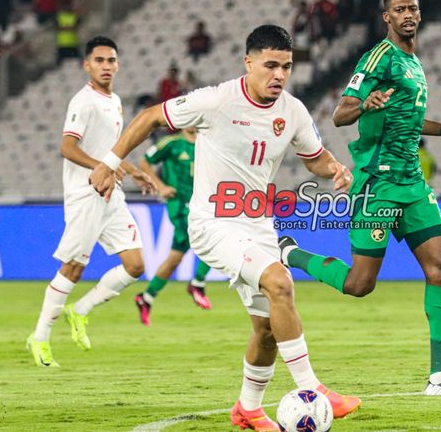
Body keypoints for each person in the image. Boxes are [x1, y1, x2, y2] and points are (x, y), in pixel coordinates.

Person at [88, 25, 361, 430]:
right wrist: (108, 164)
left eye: (286, 67)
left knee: (268, 328)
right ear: (248, 63)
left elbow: (314, 158)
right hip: (213, 225)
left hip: (259, 226)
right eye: (270, 65)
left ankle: (248, 409)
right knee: (280, 282)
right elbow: (149, 117)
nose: (279, 75)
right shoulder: (215, 100)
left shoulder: (293, 110)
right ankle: (313, 390)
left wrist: (335, 168)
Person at [278, 0, 441, 396]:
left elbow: (408, 120)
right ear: (386, 18)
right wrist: (364, 105)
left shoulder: (413, 63)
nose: (408, 13)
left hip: (411, 183)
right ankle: (290, 252)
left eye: (413, 7)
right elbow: (341, 114)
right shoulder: (379, 57)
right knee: (360, 284)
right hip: (379, 185)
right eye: (399, 9)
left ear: (419, 15)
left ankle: (439, 377)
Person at [26, 36, 157, 367]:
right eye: (99, 60)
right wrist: (101, 168)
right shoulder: (82, 102)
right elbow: (67, 148)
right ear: (87, 65)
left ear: (118, 65)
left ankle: (80, 311)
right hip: (86, 193)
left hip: (111, 193)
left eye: (111, 60)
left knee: (136, 266)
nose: (106, 66)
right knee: (74, 267)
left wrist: (132, 170)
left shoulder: (114, 101)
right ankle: (39, 337)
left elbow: (109, 152)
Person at [134, 126, 214, 326]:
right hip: (180, 206)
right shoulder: (171, 143)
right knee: (214, 235)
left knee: (174, 259)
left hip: (201, 204)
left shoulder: (208, 143)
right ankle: (197, 283)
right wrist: (160, 187)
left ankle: (147, 297)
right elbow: (144, 162)